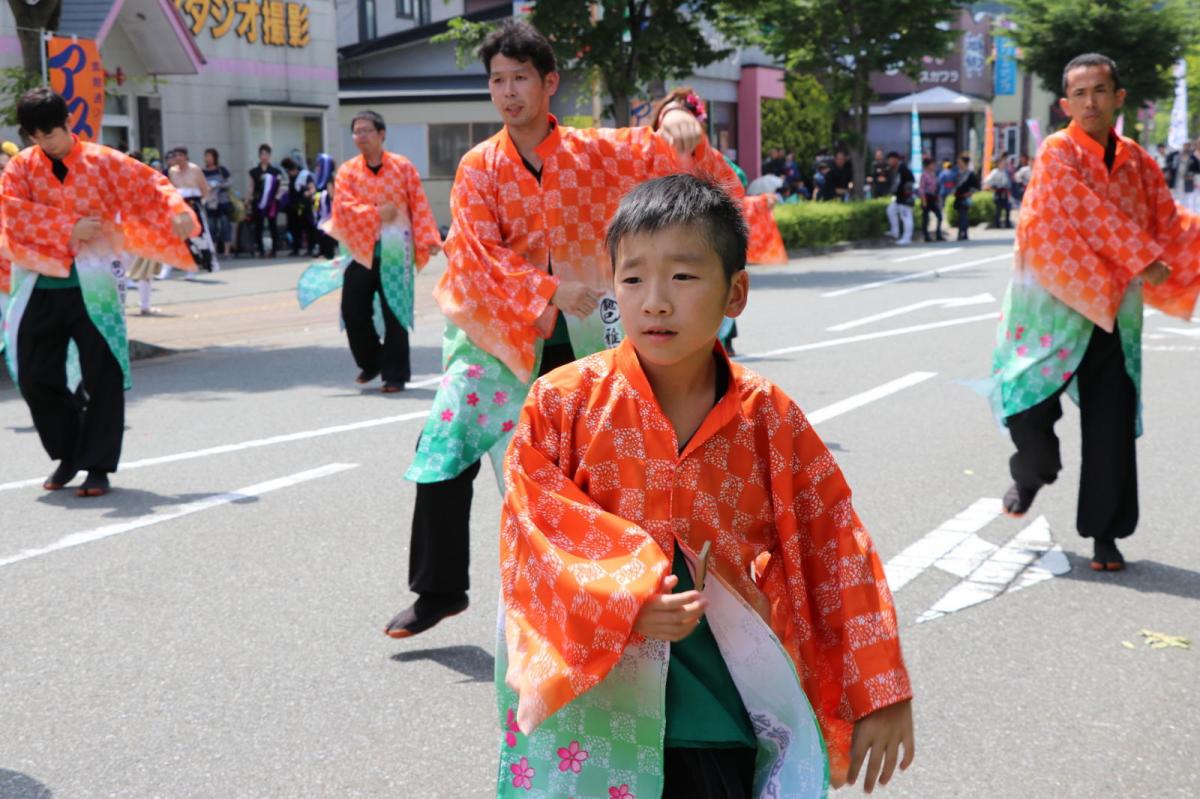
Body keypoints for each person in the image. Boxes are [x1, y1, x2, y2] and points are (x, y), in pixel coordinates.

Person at [497, 174, 915, 798]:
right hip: (597, 713)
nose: (654, 301)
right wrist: (624, 596)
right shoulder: (563, 403)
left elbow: (836, 546)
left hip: (723, 714)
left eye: (683, 277)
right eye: (632, 278)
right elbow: (535, 526)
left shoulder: (768, 417)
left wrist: (881, 689)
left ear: (736, 292)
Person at [385, 19, 746, 640]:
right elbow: (472, 253)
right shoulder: (479, 167)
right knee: (442, 446)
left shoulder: (594, 153)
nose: (507, 92)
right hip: (499, 343)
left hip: (586, 345)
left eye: (519, 78)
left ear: (549, 83)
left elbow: (674, 157)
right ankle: (439, 589)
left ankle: (611, 601)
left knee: (590, 470)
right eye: (497, 80)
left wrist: (680, 120)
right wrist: (550, 289)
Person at [983, 53, 1200, 571]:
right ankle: (1033, 472)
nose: (1090, 101)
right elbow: (1087, 212)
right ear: (1064, 105)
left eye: (1100, 90)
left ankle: (1106, 536)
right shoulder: (1057, 153)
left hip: (1114, 314)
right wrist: (1142, 257)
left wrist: (1177, 251)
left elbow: (1167, 221)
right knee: (1026, 409)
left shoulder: (1140, 162)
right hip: (1050, 312)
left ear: (1119, 98)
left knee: (1112, 426)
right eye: (1079, 94)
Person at [0, 88, 198, 497]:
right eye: (37, 137)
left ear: (68, 123)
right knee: (36, 376)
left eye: (52, 134)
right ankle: (69, 450)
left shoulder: (102, 160)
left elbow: (150, 184)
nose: (46, 144)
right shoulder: (20, 166)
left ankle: (98, 466)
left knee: (101, 374)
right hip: (39, 282)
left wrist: (177, 209)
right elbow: (10, 211)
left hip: (96, 283)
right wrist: (66, 229)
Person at [324, 111, 442, 393]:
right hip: (359, 251)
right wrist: (377, 213)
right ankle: (372, 360)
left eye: (366, 130)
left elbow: (419, 204)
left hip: (395, 251)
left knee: (395, 312)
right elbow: (342, 209)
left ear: (381, 134)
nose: (361, 136)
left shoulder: (402, 167)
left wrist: (429, 238)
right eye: (356, 132)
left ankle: (395, 375)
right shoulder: (348, 171)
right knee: (352, 311)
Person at [167, 147, 219, 276]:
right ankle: (175, 265)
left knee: (197, 236)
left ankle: (204, 262)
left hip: (194, 205)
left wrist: (200, 205)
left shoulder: (195, 169)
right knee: (177, 237)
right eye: (176, 155)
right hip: (178, 206)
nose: (178, 158)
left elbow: (205, 190)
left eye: (180, 155)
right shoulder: (172, 171)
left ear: (186, 156)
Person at [248, 144, 283, 257]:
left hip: (272, 203)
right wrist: (248, 199)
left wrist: (277, 196)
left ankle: (274, 249)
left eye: (266, 154)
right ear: (259, 156)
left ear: (269, 156)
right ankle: (261, 249)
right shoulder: (254, 171)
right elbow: (251, 187)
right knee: (259, 226)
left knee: (273, 225)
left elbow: (280, 186)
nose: (264, 156)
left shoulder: (275, 171)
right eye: (262, 154)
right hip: (258, 202)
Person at [281, 157, 318, 256]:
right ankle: (295, 248)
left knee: (308, 227)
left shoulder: (304, 175)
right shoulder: (291, 177)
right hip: (293, 206)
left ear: (295, 169)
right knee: (294, 228)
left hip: (304, 206)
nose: (289, 174)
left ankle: (310, 248)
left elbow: (312, 188)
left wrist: (308, 193)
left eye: (290, 171)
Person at [202, 148, 234, 257]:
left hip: (223, 202)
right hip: (210, 203)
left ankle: (227, 251)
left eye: (210, 156)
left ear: (215, 157)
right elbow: (200, 185)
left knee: (225, 226)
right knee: (211, 227)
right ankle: (213, 250)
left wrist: (219, 185)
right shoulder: (203, 171)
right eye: (206, 156)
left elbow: (230, 182)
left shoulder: (222, 170)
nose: (207, 158)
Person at [885, 151, 915, 245]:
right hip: (899, 197)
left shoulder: (903, 169)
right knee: (890, 210)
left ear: (895, 159)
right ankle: (895, 232)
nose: (889, 162)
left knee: (906, 217)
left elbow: (910, 182)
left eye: (890, 160)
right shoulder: (897, 169)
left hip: (904, 198)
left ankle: (907, 238)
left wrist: (906, 193)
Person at [951, 152, 980, 240]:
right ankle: (962, 233)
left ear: (965, 163)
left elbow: (976, 186)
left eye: (960, 162)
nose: (959, 164)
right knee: (960, 216)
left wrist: (969, 193)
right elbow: (954, 185)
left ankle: (963, 233)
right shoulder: (957, 173)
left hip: (966, 198)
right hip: (958, 197)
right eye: (958, 162)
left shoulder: (970, 174)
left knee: (964, 215)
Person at [919, 156, 945, 241]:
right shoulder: (924, 175)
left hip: (933, 198)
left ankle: (938, 234)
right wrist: (924, 200)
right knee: (926, 218)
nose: (934, 166)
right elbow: (921, 189)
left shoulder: (934, 174)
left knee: (939, 216)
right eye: (932, 164)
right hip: (926, 197)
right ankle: (926, 236)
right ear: (927, 165)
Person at [984, 156, 1013, 228]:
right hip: (998, 191)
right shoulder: (995, 172)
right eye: (1002, 163)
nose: (1003, 164)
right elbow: (987, 180)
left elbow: (1008, 182)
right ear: (998, 164)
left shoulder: (1005, 171)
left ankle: (1007, 223)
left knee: (1007, 208)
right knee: (998, 209)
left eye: (1004, 163)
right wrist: (991, 186)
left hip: (1004, 192)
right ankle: (997, 224)